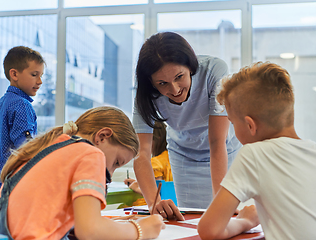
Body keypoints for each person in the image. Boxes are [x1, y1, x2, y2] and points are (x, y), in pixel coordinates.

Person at [0, 106, 165, 240]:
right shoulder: (90, 154)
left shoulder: (48, 148)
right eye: (116, 162)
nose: (110, 172)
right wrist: (140, 229)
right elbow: (89, 231)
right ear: (102, 136)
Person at [198, 62, 316, 240]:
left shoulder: (253, 154)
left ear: (250, 125)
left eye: (232, 123)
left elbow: (209, 229)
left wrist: (245, 221)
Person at [133, 31, 241, 218]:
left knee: (228, 217)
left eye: (179, 77)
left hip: (225, 151)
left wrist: (221, 204)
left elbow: (217, 141)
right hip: (183, 155)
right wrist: (154, 204)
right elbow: (141, 153)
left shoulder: (214, 71)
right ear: (152, 83)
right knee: (192, 219)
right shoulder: (146, 94)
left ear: (190, 66)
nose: (174, 89)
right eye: (162, 83)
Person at [0, 46, 45, 207]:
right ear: (14, 74)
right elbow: (27, 150)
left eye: (41, 76)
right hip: (15, 193)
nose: (40, 81)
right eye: (34, 75)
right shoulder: (22, 106)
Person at [124, 121, 172, 206]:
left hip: (153, 206)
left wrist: (135, 187)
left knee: (123, 206)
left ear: (157, 139)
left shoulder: (154, 162)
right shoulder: (171, 159)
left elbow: (158, 194)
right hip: (173, 203)